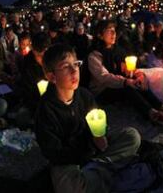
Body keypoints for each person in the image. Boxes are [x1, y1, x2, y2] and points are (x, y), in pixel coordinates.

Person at [35, 44, 141, 193]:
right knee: (70, 187)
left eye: (76, 65)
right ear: (51, 76)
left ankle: (98, 171)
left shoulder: (84, 95)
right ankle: (107, 168)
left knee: (132, 136)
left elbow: (99, 125)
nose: (74, 71)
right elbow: (53, 152)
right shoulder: (46, 109)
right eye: (66, 67)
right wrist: (86, 151)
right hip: (70, 161)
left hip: (93, 151)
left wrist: (101, 133)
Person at [87, 20, 163, 130]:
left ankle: (162, 108)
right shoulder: (94, 55)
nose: (113, 34)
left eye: (114, 31)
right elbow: (104, 77)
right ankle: (153, 114)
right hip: (103, 90)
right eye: (109, 31)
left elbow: (128, 68)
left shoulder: (117, 50)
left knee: (139, 84)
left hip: (118, 83)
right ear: (100, 35)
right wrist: (125, 82)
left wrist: (138, 74)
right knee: (128, 88)